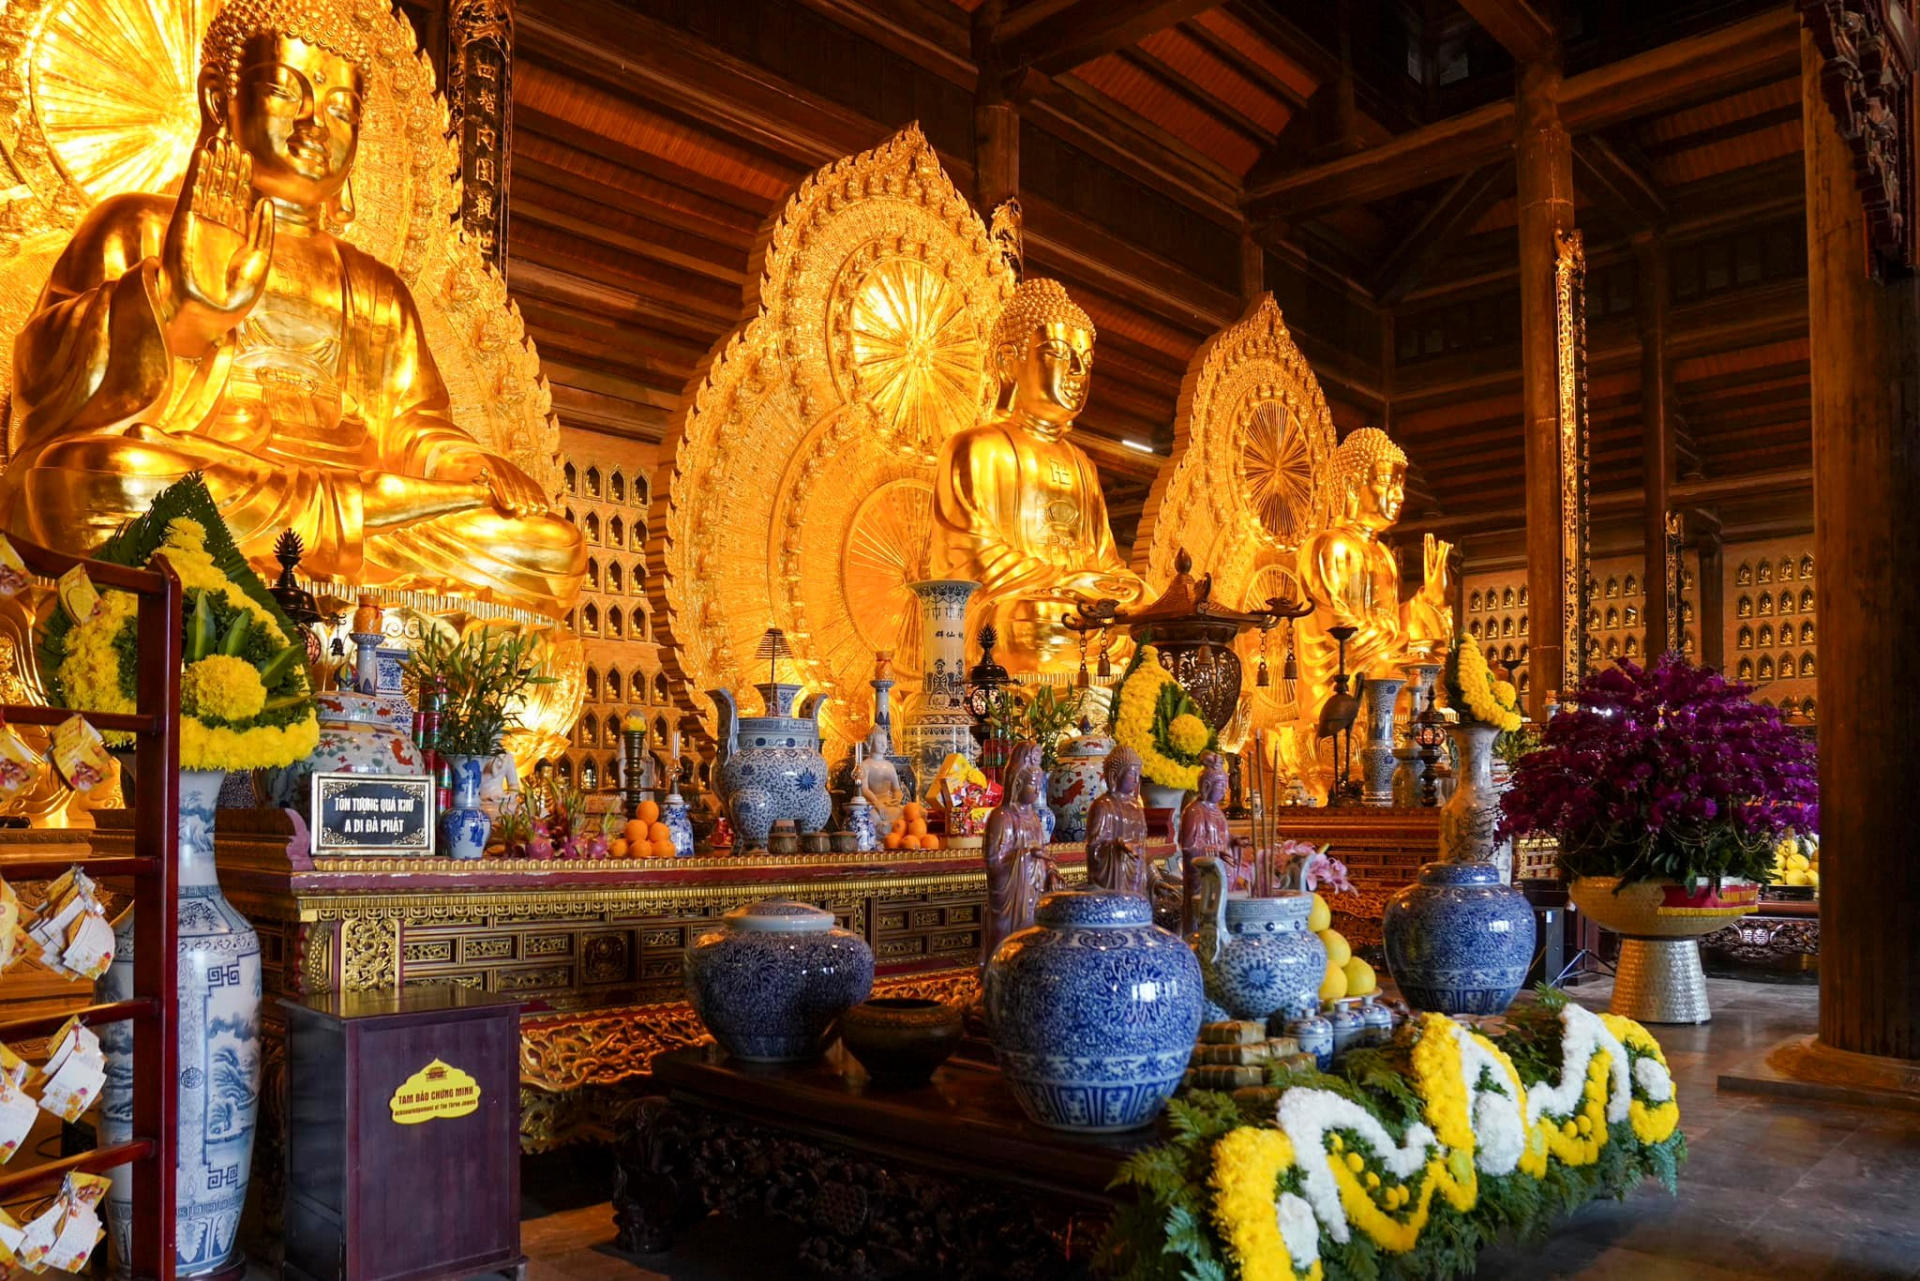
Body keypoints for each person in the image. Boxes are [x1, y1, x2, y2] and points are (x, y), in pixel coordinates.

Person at [0, 0, 584, 619]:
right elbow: (49, 400)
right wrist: (173, 302)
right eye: (286, 91)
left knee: (550, 549)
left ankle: (328, 560)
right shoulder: (141, 227)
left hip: (355, 508)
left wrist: (468, 464)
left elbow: (413, 424)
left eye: (341, 110)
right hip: (214, 485)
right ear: (218, 99)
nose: (314, 127)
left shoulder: (376, 286)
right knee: (99, 477)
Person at [1085, 745, 1149, 897]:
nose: (1136, 780)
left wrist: (1155, 877)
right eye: (1132, 774)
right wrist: (1117, 845)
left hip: (1137, 878)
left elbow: (1143, 850)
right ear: (1114, 776)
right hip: (1114, 879)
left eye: (1138, 775)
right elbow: (1094, 848)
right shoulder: (1103, 806)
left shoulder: (1137, 807)